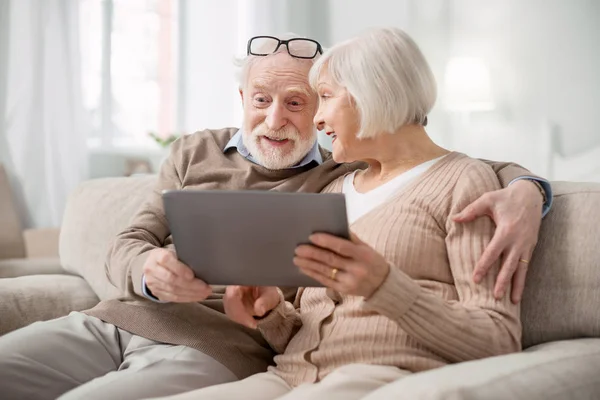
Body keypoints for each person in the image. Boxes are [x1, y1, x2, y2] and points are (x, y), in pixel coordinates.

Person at [0, 33, 550, 400]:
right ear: (241, 96)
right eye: (261, 100)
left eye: (302, 102)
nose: (275, 119)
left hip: (218, 347)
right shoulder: (197, 151)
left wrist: (530, 188)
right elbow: (130, 238)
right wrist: (150, 270)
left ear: (347, 102)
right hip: (119, 319)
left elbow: (441, 164)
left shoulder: (338, 170)